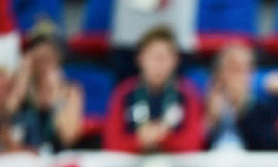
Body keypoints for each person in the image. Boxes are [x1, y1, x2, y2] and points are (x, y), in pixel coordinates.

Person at [105, 25, 204, 153]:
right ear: (140, 59)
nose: (159, 64)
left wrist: (163, 137)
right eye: (153, 56)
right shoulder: (124, 92)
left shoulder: (189, 93)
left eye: (164, 57)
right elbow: (111, 143)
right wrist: (139, 140)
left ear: (175, 61)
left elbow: (194, 144)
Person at [4, 21, 85, 152]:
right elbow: (7, 115)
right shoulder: (18, 87)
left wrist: (55, 98)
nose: (44, 66)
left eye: (49, 59)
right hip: (21, 156)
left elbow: (68, 136)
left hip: (56, 159)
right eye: (40, 59)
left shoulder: (70, 91)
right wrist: (22, 81)